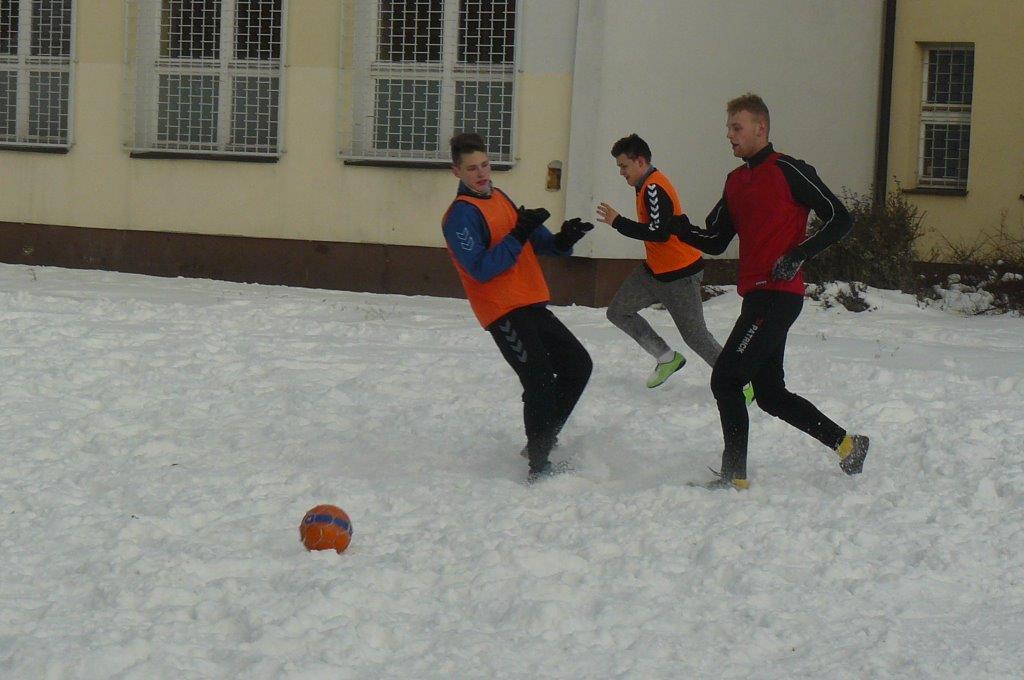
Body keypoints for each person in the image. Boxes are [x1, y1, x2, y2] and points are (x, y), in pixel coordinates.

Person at [668, 94, 869, 489]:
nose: (729, 135)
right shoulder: (735, 181)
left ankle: (734, 475)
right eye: (728, 128)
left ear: (760, 128)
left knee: (726, 380)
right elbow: (715, 240)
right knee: (770, 394)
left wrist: (799, 254)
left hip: (779, 294)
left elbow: (840, 218)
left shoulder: (789, 170)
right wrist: (679, 229)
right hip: (758, 297)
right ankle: (848, 444)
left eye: (736, 127)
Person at [442, 132, 594, 482]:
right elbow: (480, 269)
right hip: (502, 310)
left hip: (530, 301)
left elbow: (538, 242)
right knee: (538, 378)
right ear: (456, 172)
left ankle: (542, 438)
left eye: (485, 165)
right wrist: (518, 234)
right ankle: (539, 464)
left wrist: (563, 240)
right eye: (472, 169)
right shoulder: (459, 216)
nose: (481, 173)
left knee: (577, 365)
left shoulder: (501, 198)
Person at [595, 134, 728, 390]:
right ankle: (666, 358)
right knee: (618, 312)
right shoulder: (644, 185)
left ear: (640, 161)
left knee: (696, 337)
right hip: (654, 271)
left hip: (680, 274)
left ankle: (738, 380)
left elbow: (660, 232)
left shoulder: (654, 187)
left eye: (623, 166)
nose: (621, 172)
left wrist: (618, 222)